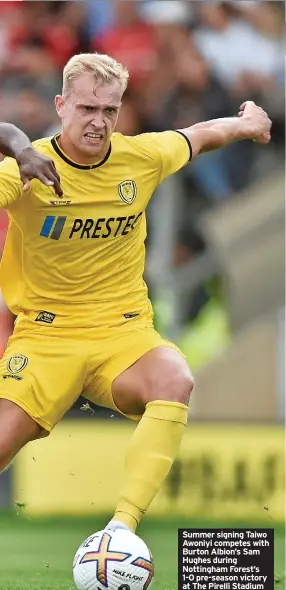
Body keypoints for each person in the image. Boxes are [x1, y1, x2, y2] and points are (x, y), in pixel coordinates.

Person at [0, 53, 271, 534]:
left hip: (122, 335)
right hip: (45, 340)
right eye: (86, 109)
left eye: (109, 110)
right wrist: (19, 148)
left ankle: (120, 532)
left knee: (175, 380)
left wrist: (246, 123)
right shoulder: (26, 171)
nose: (98, 122)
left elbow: (202, 136)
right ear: (61, 105)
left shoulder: (140, 158)